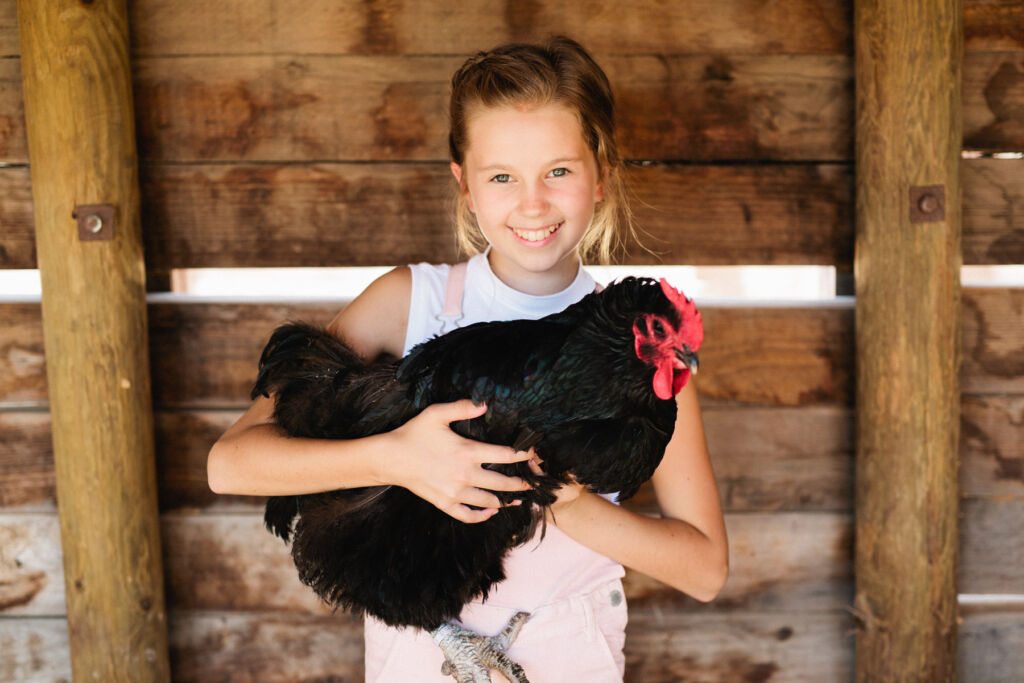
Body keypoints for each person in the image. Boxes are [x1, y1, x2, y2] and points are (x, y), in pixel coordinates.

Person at [208, 36, 727, 683]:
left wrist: (562, 496)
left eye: (558, 171)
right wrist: (395, 455)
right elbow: (230, 463)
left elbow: (704, 569)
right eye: (503, 176)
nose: (532, 203)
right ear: (465, 183)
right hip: (422, 653)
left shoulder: (647, 349)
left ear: (601, 175)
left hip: (571, 654)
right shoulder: (411, 303)